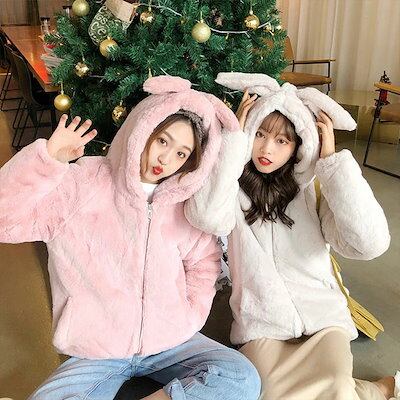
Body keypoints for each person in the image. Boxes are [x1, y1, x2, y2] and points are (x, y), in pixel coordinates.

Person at [0, 75, 261, 400]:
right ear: (143, 129)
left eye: (181, 154)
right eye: (163, 141)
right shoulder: (84, 183)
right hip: (97, 350)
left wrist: (190, 312)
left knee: (241, 377)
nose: (166, 159)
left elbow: (204, 261)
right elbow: (6, 219)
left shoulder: (182, 199)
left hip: (170, 341)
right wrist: (49, 159)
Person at [185, 72, 399, 400]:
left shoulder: (313, 190)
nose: (266, 149)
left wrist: (333, 164)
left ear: (299, 144)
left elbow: (369, 243)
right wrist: (233, 145)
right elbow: (205, 217)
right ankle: (376, 390)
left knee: (336, 387)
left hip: (322, 319)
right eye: (259, 134)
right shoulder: (231, 187)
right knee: (275, 395)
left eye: (282, 141)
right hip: (262, 325)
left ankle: (356, 388)